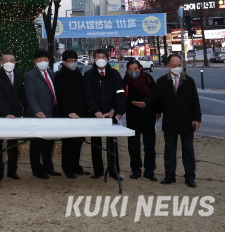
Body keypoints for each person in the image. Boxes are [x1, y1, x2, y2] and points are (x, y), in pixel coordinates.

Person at [132, 53, 201, 187]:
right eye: (174, 65)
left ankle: (190, 177)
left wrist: (196, 118)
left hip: (187, 122)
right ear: (168, 66)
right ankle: (169, 176)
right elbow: (155, 98)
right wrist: (145, 103)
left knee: (188, 150)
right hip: (170, 122)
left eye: (179, 65)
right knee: (169, 150)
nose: (177, 68)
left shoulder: (189, 81)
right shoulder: (162, 81)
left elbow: (195, 101)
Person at [83, 49, 126, 180]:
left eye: (103, 57)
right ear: (94, 59)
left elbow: (120, 93)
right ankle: (98, 170)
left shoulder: (114, 74)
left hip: (110, 114)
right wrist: (95, 111)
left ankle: (114, 170)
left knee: (112, 143)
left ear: (107, 59)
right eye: (97, 57)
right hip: (95, 114)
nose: (100, 59)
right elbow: (87, 94)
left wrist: (116, 111)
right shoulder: (89, 75)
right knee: (96, 143)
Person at [0, 52, 26, 180]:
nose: (9, 62)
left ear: (15, 63)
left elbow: (22, 94)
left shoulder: (20, 74)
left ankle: (12, 170)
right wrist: (6, 113)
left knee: (13, 145)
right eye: (6, 60)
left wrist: (26, 110)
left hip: (15, 115)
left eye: (11, 60)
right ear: (1, 63)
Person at [24, 49, 60, 179]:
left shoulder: (52, 74)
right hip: (39, 114)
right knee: (37, 142)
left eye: (45, 59)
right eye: (40, 60)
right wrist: (36, 111)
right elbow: (30, 95)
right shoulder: (30, 75)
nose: (42, 62)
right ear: (35, 62)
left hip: (52, 112)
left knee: (49, 142)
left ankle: (48, 167)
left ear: (49, 60)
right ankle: (37, 169)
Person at [54, 49, 89, 179]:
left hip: (80, 113)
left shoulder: (78, 73)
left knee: (78, 141)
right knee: (68, 142)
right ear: (64, 62)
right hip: (67, 113)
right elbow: (62, 96)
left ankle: (76, 165)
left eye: (74, 61)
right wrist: (70, 111)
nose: (73, 63)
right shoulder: (60, 75)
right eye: (70, 61)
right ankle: (68, 168)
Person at [123, 58, 158, 181]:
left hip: (148, 116)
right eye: (130, 69)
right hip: (133, 117)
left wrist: (146, 104)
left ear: (140, 69)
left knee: (150, 146)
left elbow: (155, 95)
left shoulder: (148, 78)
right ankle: (136, 170)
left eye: (136, 69)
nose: (133, 71)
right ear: (127, 70)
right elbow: (121, 98)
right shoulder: (125, 81)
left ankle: (150, 171)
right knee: (133, 146)